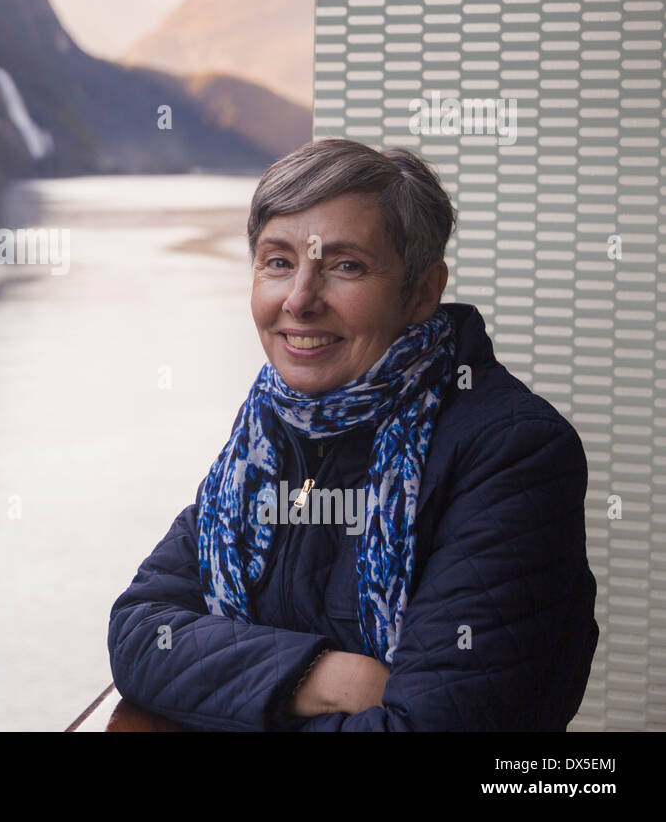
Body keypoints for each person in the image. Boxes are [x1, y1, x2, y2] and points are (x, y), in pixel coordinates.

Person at [106, 138, 599, 731]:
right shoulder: (267, 430)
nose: (299, 300)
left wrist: (228, 696)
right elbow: (139, 636)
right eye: (278, 261)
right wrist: (318, 676)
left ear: (421, 291)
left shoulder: (512, 452)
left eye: (344, 266)